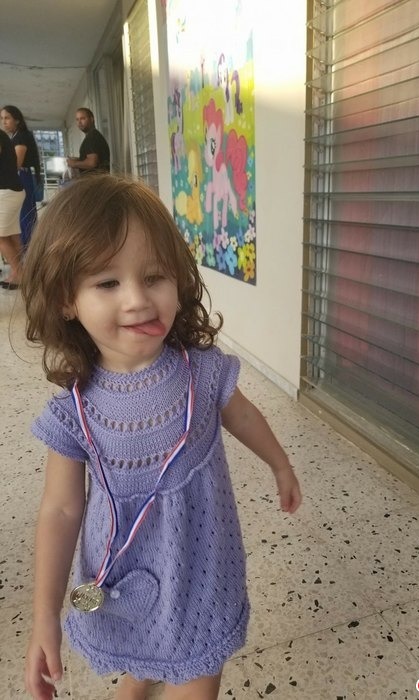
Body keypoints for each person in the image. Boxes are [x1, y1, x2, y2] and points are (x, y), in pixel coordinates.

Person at [21, 174, 302, 700]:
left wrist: (280, 463)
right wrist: (44, 616)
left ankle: (158, 670)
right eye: (107, 283)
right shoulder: (74, 413)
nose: (137, 300)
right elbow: (59, 510)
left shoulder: (203, 373)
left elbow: (243, 417)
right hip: (122, 575)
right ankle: (141, 674)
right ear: (65, 300)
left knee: (195, 668)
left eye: (154, 277)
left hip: (201, 568)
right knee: (143, 639)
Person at [0, 105, 42, 247]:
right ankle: (25, 250)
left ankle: (29, 249)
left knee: (25, 217)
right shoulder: (16, 136)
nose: (4, 122)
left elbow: (15, 164)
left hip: (22, 178)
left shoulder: (21, 137)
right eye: (2, 118)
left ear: (17, 120)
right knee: (19, 222)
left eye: (7, 118)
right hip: (21, 178)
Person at [0, 129, 24, 289]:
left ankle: (18, 275)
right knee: (12, 235)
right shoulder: (3, 136)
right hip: (13, 190)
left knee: (1, 237)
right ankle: (22, 271)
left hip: (6, 192)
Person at [66, 107, 110, 175]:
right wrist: (79, 159)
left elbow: (92, 163)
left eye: (82, 118)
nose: (79, 122)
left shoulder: (92, 136)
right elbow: (94, 159)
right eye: (77, 119)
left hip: (97, 180)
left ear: (91, 119)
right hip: (99, 179)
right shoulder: (93, 135)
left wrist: (74, 163)